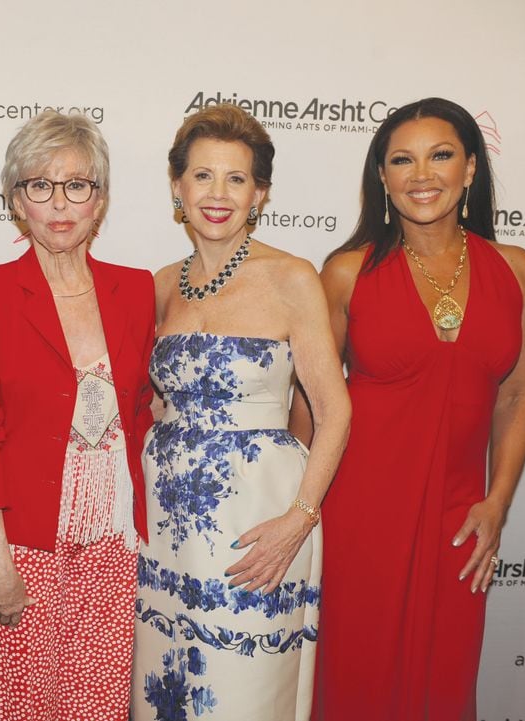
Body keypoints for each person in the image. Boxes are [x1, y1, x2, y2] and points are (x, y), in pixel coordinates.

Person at [302, 97, 525, 721]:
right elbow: (312, 408)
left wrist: (497, 501)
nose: (422, 174)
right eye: (401, 160)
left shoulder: (516, 270)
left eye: (440, 155)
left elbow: (516, 394)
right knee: (355, 684)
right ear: (382, 177)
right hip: (359, 517)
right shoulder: (347, 273)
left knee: (445, 687)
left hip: (462, 522)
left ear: (470, 169)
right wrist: (300, 515)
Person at [132, 104, 351, 721]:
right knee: (167, 689)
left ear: (261, 193)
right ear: (178, 187)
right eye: (203, 176)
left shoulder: (291, 278)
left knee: (244, 693)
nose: (218, 193)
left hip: (258, 523)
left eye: (236, 179)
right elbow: (149, 402)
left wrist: (300, 519)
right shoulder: (159, 285)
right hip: (168, 530)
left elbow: (333, 410)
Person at [0, 109, 155, 721]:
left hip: (116, 544)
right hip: (27, 541)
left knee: (102, 703)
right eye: (40, 186)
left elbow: (143, 411)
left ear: (102, 199)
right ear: (17, 201)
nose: (59, 203)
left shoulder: (138, 289)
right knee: (25, 706)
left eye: (78, 185)